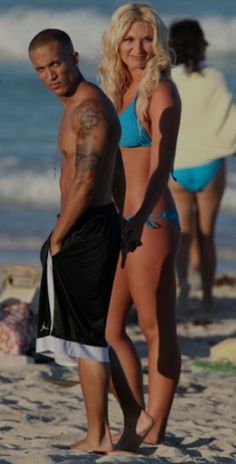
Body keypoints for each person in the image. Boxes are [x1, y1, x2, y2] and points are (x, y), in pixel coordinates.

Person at [28, 28, 126, 454]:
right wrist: (122, 216)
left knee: (87, 339)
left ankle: (99, 434)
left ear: (75, 57)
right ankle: (125, 419)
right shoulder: (75, 105)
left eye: (56, 63)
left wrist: (59, 236)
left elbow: (86, 180)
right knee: (90, 335)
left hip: (84, 229)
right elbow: (114, 165)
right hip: (88, 224)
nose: (50, 74)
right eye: (41, 69)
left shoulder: (89, 109)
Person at [98, 3, 181, 449]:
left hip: (151, 220)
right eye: (129, 39)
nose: (138, 48)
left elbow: (160, 167)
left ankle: (156, 430)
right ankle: (138, 420)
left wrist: (136, 219)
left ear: (159, 42)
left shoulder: (161, 91)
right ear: (116, 41)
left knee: (155, 328)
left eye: (146, 38)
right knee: (107, 329)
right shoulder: (114, 89)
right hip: (117, 222)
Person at [168, 19, 236, 310]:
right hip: (209, 165)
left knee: (182, 236)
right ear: (201, 45)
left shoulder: (167, 79)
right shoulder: (215, 78)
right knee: (206, 235)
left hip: (176, 168)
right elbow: (230, 123)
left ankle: (182, 291)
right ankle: (208, 296)